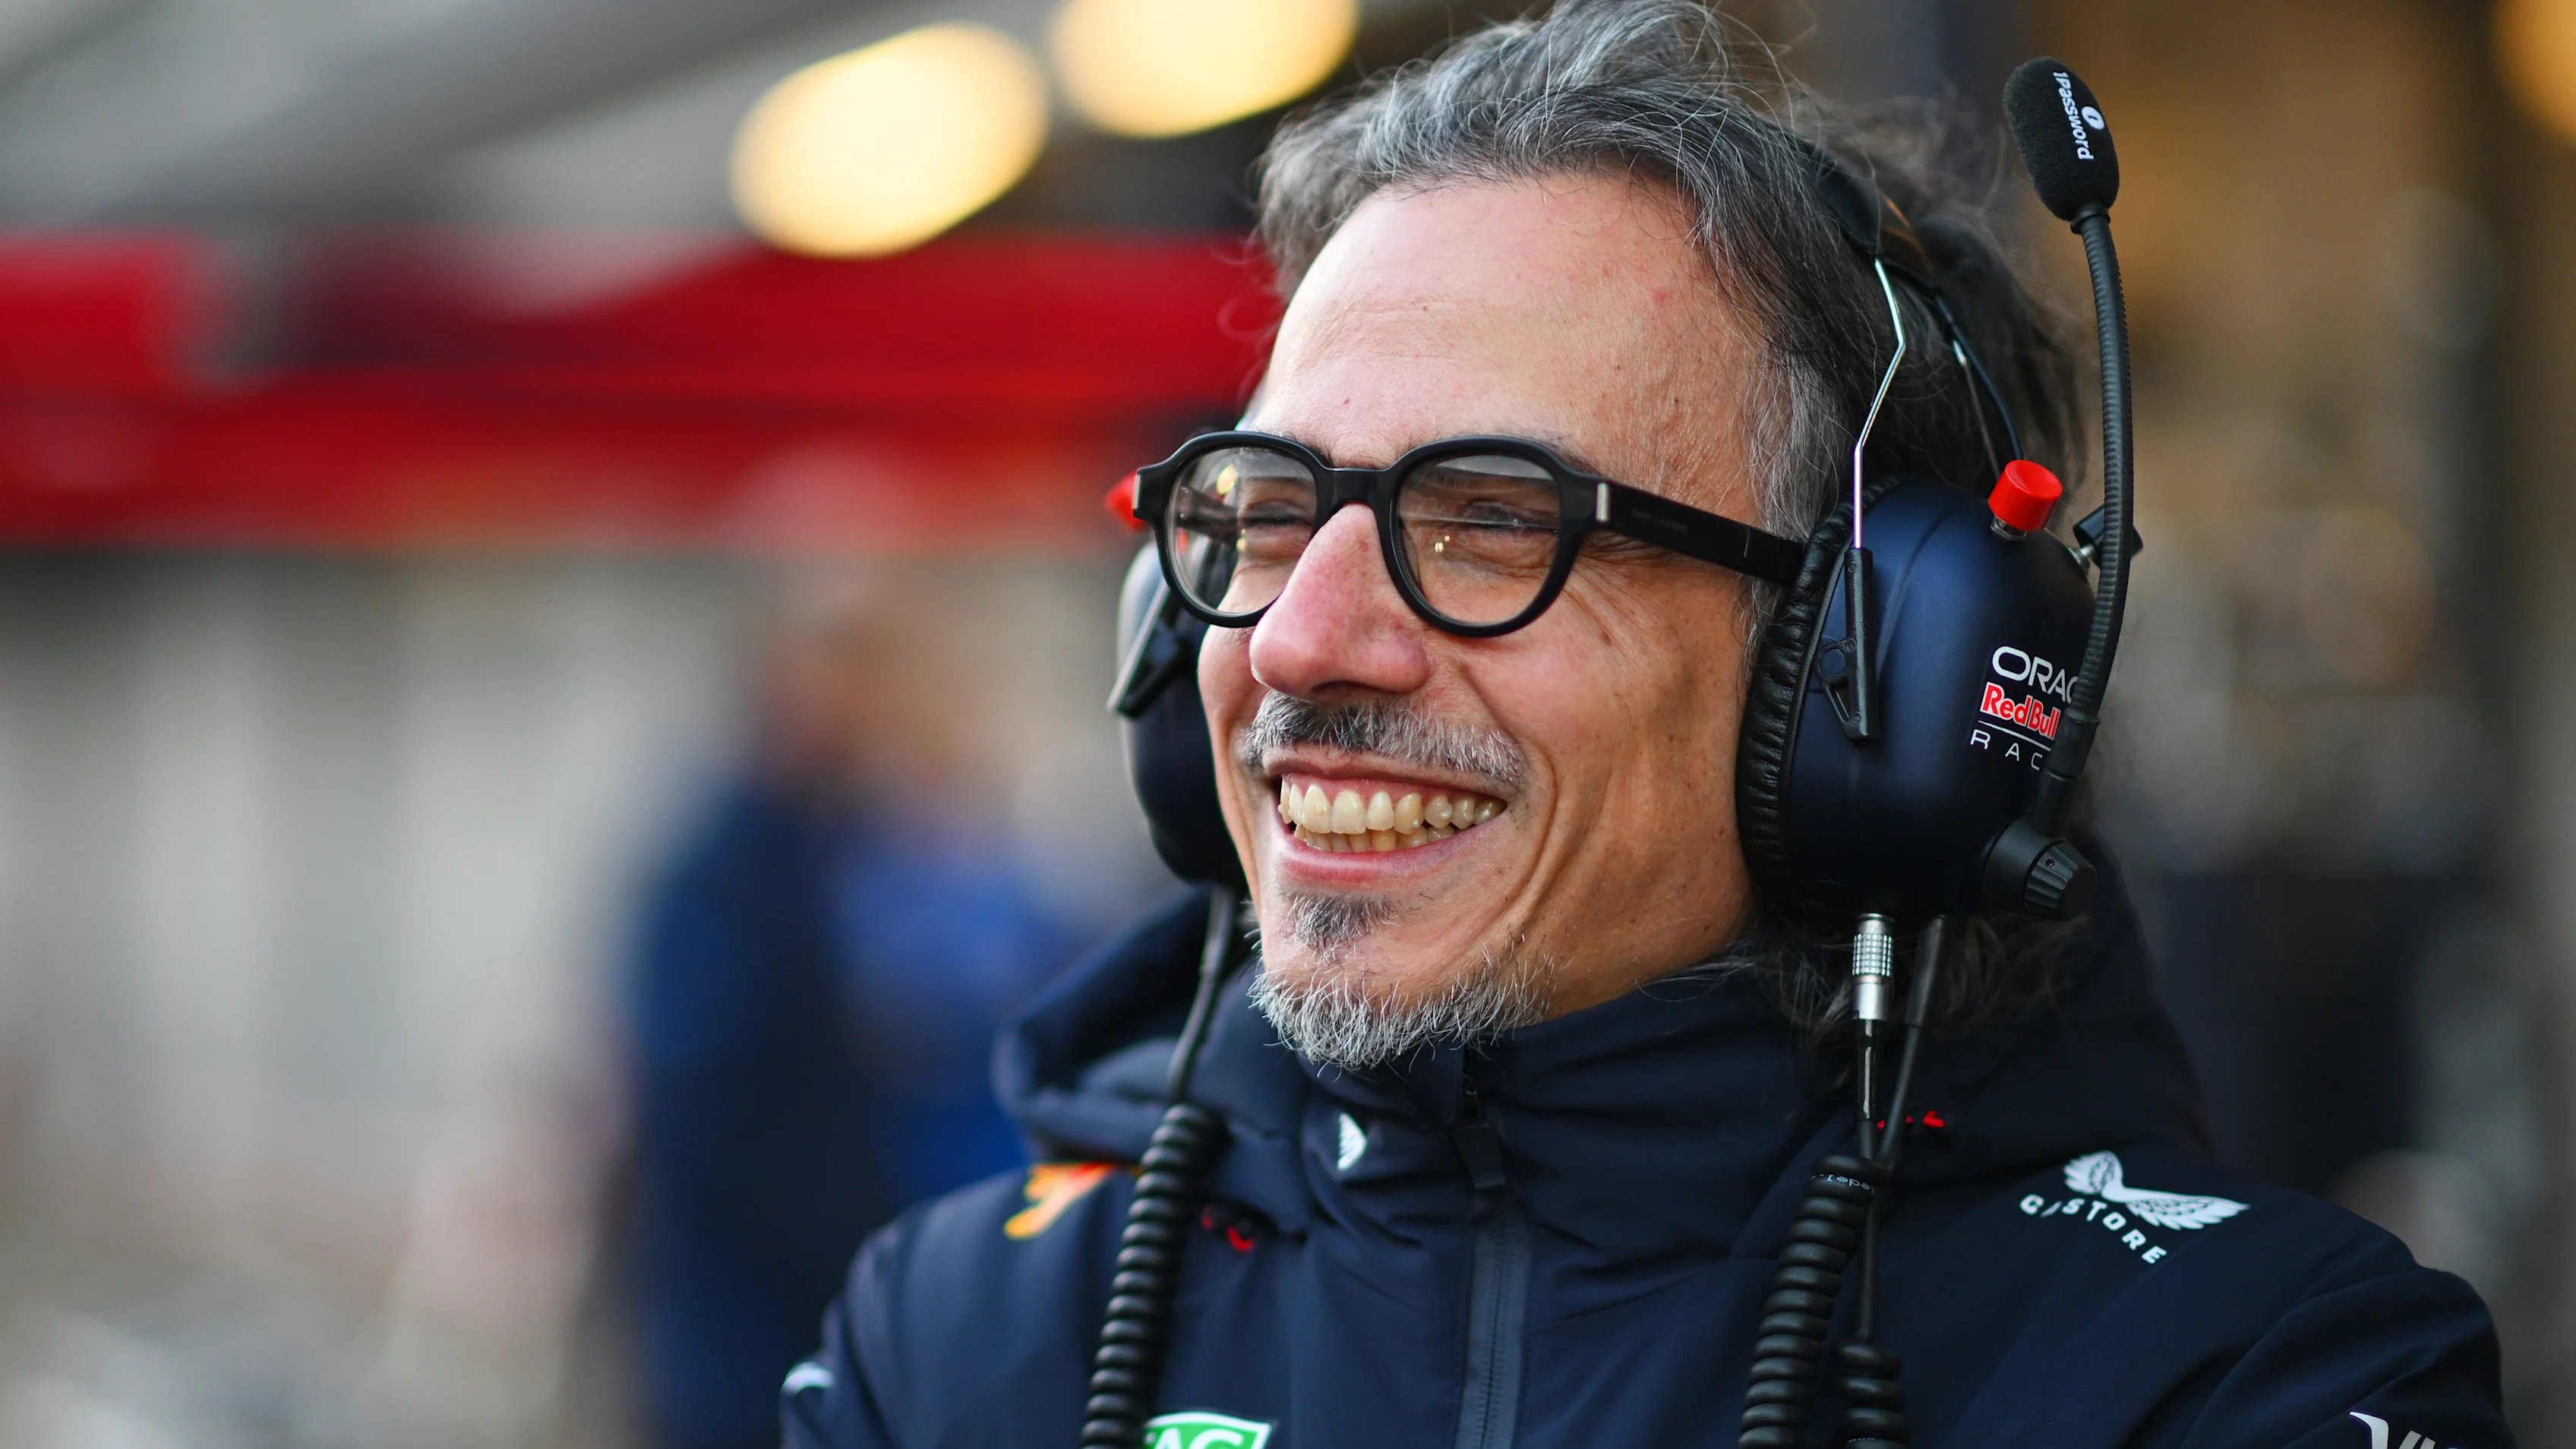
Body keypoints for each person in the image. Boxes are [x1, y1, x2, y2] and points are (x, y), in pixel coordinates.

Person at [781, 4, 2512, 1445]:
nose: (1297, 637)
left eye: (1491, 518)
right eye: (1266, 508)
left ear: (1868, 668)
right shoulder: (956, 1343)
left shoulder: (2245, 1377)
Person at [627, 579, 1074, 1449]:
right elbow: (709, 1133)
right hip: (752, 1339)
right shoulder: (727, 880)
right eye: (865, 668)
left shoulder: (855, 850)